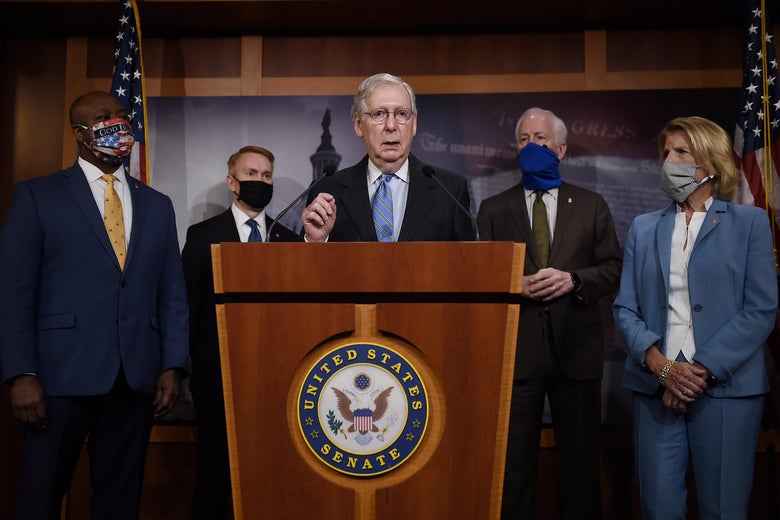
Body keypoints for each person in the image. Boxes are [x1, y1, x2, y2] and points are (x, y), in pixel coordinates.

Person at [0, 90, 189, 519]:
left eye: (122, 115)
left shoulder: (158, 205)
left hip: (134, 379)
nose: (117, 124)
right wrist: (20, 373)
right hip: (56, 380)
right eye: (104, 117)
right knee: (39, 498)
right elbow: (13, 293)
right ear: (80, 133)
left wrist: (173, 365)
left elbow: (171, 293)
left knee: (120, 503)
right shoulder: (37, 195)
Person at [613, 116, 777, 519]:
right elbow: (625, 307)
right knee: (659, 509)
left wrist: (696, 371)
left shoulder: (750, 223)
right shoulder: (643, 227)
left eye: (682, 152)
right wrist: (661, 367)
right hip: (656, 389)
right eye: (666, 152)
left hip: (727, 391)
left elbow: (760, 309)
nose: (670, 160)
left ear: (712, 162)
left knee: (724, 510)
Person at [476, 107, 622, 519]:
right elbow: (481, 280)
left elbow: (613, 269)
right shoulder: (493, 208)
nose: (531, 147)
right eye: (523, 139)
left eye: (540, 139)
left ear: (561, 149)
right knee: (513, 470)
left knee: (580, 470)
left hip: (575, 354)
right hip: (515, 358)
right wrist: (512, 284)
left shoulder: (591, 205)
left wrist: (573, 280)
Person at [181, 145, 297, 519]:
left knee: (271, 474)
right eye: (251, 175)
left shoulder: (290, 242)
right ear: (232, 182)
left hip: (278, 383)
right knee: (214, 475)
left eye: (266, 176)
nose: (259, 182)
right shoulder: (202, 236)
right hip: (217, 379)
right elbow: (189, 309)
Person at [301, 72, 475, 242]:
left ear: (414, 124)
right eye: (379, 114)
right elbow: (302, 267)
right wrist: (316, 241)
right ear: (359, 124)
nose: (391, 126)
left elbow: (467, 264)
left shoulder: (450, 190)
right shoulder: (326, 190)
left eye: (401, 114)